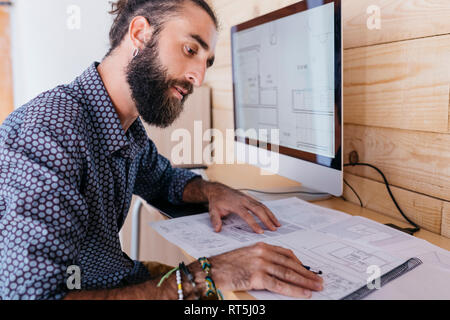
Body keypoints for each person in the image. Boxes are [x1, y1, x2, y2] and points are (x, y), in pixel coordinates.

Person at [0, 0, 323, 300]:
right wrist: (205, 276)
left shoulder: (123, 126)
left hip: (114, 278)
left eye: (206, 62)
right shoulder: (50, 132)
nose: (198, 76)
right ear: (140, 33)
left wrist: (213, 190)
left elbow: (163, 179)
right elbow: (31, 297)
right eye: (189, 49)